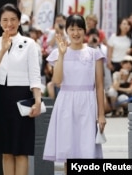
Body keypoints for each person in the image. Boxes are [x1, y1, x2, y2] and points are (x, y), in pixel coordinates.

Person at [43, 14, 106, 174]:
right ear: (66, 31)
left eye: (79, 29)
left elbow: (99, 86)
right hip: (66, 104)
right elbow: (57, 81)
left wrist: (101, 115)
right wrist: (62, 55)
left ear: (85, 31)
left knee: (86, 152)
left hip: (87, 104)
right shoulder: (59, 53)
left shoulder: (94, 54)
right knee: (68, 153)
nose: (76, 33)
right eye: (72, 29)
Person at [0, 3, 42, 175]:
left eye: (13, 19)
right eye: (5, 20)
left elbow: (34, 74)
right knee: (6, 149)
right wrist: (3, 49)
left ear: (19, 21)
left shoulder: (29, 43)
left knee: (21, 149)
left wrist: (38, 100)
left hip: (21, 96)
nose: (9, 23)